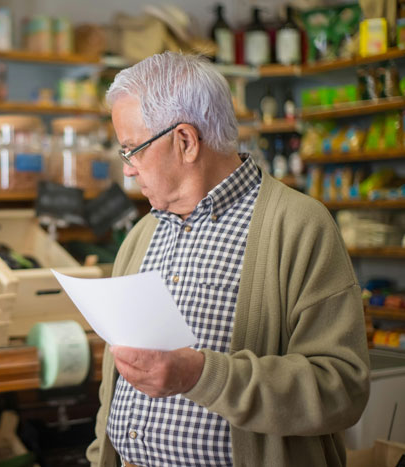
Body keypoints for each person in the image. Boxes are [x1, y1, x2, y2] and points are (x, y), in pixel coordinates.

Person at [86, 52, 370, 467]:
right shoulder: (140, 236)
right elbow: (114, 390)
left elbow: (341, 389)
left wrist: (201, 375)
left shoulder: (299, 226)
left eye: (132, 150)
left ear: (185, 141)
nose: (127, 170)